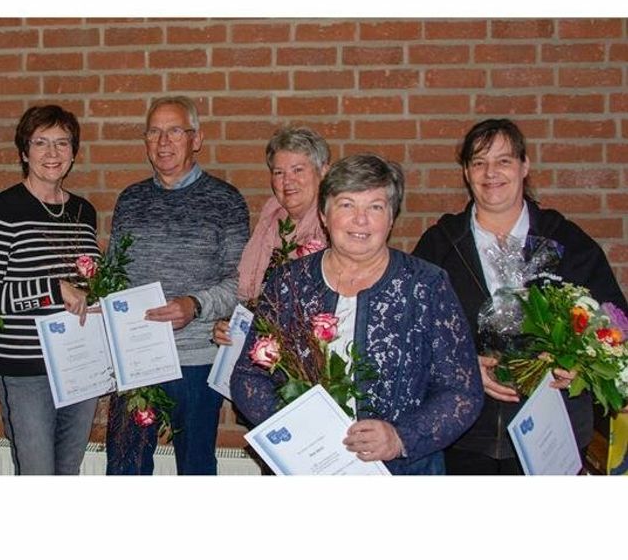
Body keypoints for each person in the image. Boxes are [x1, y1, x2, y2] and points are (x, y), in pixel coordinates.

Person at [231, 154, 483, 474]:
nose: (360, 220)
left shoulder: (427, 285)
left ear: (391, 217)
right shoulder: (288, 283)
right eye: (347, 205)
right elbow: (248, 376)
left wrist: (401, 436)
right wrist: (294, 426)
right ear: (324, 214)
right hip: (306, 466)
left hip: (400, 472)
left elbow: (462, 391)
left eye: (375, 207)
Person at [413, 118, 627, 474]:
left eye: (503, 161)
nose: (490, 173)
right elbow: (413, 335)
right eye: (479, 162)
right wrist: (460, 368)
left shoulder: (567, 242)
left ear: (524, 166)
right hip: (462, 434)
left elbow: (615, 328)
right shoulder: (439, 246)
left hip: (553, 433)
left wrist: (579, 367)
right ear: (466, 172)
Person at [106, 95, 250, 475]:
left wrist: (195, 304)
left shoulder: (226, 200)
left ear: (196, 139)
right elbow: (113, 275)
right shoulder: (130, 200)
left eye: (174, 131)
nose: (163, 142)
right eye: (154, 132)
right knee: (125, 468)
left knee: (196, 467)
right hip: (136, 358)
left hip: (196, 361)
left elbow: (241, 282)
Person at [0, 105, 99, 475]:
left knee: (68, 471)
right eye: (41, 143)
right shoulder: (4, 208)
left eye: (62, 143)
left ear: (74, 152)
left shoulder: (83, 212)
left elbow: (89, 287)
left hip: (79, 365)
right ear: (24, 152)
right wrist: (53, 289)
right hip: (27, 371)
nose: (52, 153)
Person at [212, 127, 329, 346]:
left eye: (298, 170)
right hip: (264, 348)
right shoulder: (270, 220)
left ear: (323, 171)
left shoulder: (333, 226)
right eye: (278, 172)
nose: (288, 181)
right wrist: (230, 324)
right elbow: (251, 295)